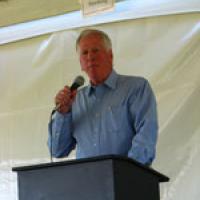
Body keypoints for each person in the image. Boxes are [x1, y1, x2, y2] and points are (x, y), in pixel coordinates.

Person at [48, 29, 158, 165]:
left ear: (110, 55)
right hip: (88, 183)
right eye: (85, 53)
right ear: (81, 63)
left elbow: (146, 137)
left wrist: (125, 173)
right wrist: (63, 113)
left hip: (126, 181)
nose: (90, 57)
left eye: (95, 51)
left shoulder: (136, 88)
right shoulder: (75, 100)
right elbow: (57, 150)